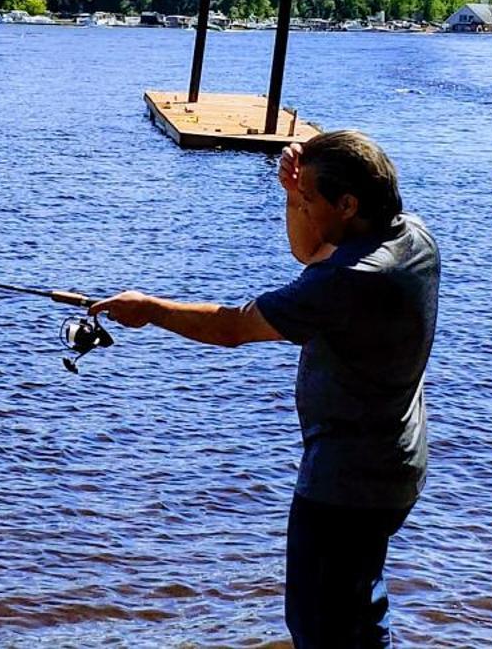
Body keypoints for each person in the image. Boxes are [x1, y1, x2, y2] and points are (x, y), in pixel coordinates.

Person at [92, 130, 439, 648]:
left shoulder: (351, 279)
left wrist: (151, 310)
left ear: (347, 203)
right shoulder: (411, 235)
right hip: (395, 465)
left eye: (308, 200)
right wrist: (293, 192)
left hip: (344, 482)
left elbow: (234, 326)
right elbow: (312, 252)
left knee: (319, 625)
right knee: (359, 612)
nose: (301, 207)